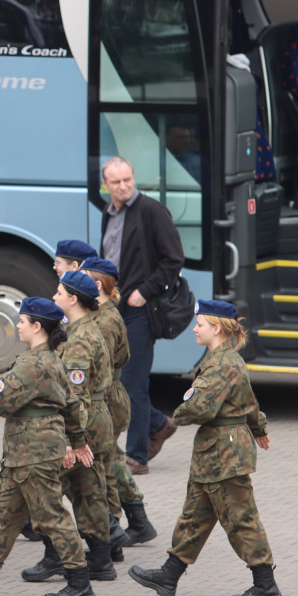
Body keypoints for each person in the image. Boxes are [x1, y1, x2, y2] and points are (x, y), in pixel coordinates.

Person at [129, 300, 283, 596]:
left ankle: (265, 585)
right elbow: (249, 402)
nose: (195, 328)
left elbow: (201, 408)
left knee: (241, 519)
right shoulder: (229, 360)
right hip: (216, 453)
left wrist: (180, 413)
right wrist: (259, 428)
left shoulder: (220, 365)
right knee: (194, 517)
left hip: (224, 454)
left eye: (200, 324)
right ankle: (169, 576)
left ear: (216, 328)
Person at [0, 297, 95, 596]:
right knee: (7, 517)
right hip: (24, 452)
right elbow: (71, 407)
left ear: (37, 327)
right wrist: (77, 441)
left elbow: (0, 399)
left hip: (33, 452)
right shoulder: (51, 359)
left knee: (52, 516)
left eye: (23, 321)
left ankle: (80, 584)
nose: (18, 325)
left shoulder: (33, 363)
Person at [22, 271, 117, 583]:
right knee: (90, 490)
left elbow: (75, 395)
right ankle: (101, 559)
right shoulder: (86, 330)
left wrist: (67, 440)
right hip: (96, 418)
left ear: (73, 299)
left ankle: (55, 556)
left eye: (59, 292)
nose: (54, 297)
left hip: (83, 421)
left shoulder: (78, 340)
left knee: (49, 486)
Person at [99, 156, 184, 474]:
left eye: (128, 180)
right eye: (116, 182)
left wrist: (144, 292)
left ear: (134, 179)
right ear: (105, 185)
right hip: (113, 309)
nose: (123, 187)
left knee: (134, 383)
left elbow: (174, 259)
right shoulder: (108, 214)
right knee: (114, 379)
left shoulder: (151, 211)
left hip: (140, 310)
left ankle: (137, 456)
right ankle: (158, 423)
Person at [80, 257, 157, 554]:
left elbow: (101, 363)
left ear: (97, 285)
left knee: (104, 465)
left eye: (83, 277)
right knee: (109, 461)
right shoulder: (101, 314)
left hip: (107, 396)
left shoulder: (106, 319)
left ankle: (111, 532)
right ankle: (125, 527)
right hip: (107, 393)